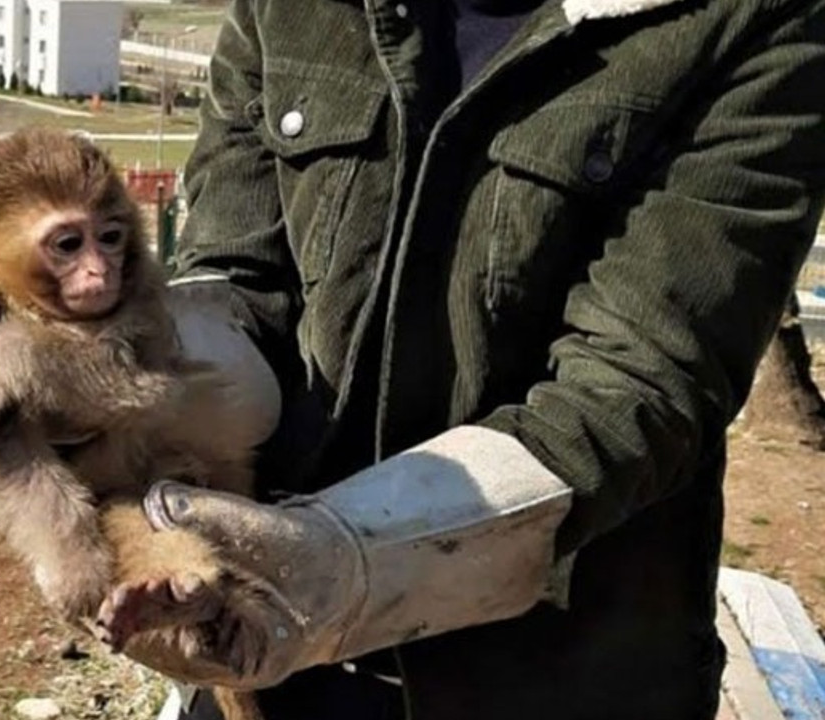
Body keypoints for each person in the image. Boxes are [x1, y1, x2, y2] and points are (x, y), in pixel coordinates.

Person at [98, 1, 825, 719]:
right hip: (270, 668)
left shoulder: (749, 20)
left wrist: (343, 565)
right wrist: (107, 364)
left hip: (554, 682)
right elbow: (239, 275)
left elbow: (639, 380)